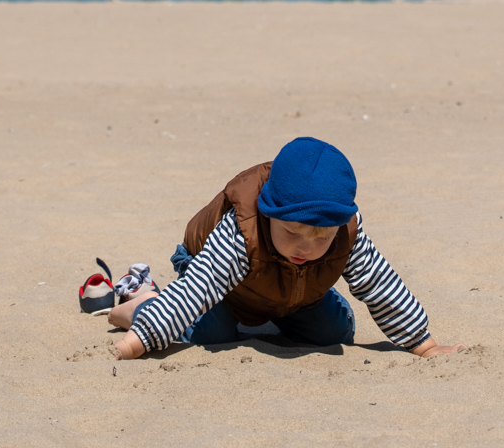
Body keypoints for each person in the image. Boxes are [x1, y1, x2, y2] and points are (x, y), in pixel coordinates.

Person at [107, 137, 464, 360]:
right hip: (219, 284)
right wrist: (139, 341)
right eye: (293, 232)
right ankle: (140, 303)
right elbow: (197, 290)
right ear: (269, 213)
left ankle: (285, 313)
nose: (306, 246)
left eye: (321, 237)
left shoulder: (344, 231)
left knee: (334, 335)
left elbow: (381, 286)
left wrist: (423, 344)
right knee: (212, 333)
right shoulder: (241, 234)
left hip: (290, 289)